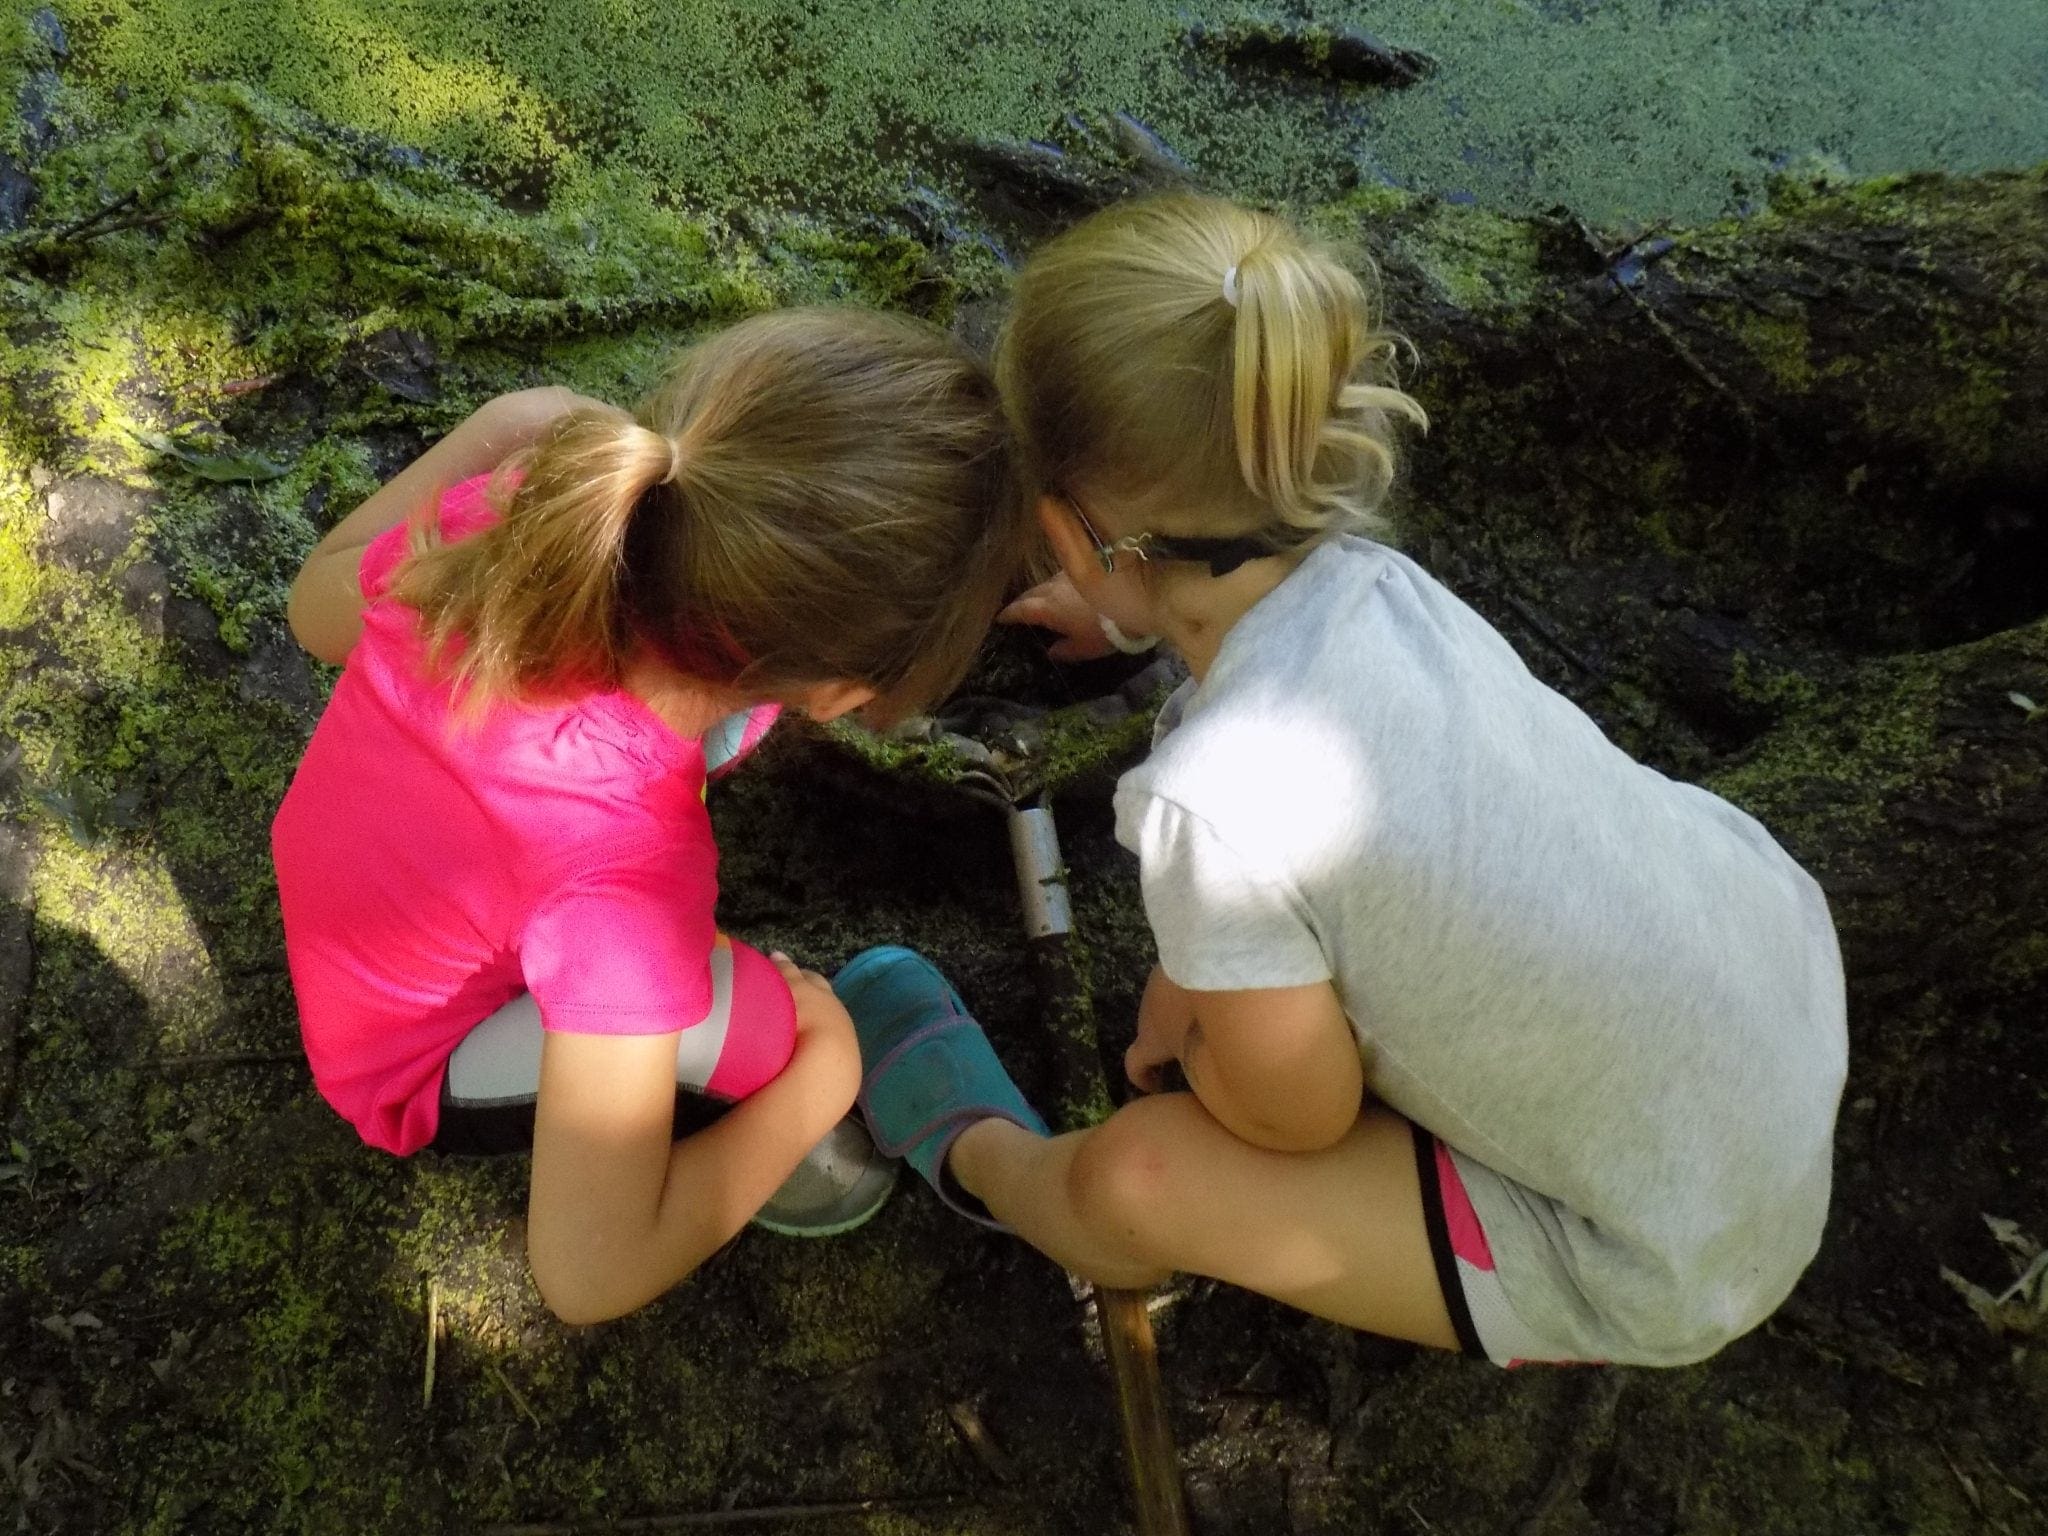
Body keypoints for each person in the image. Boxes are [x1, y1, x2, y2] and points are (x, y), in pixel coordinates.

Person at [831, 195, 1849, 1367]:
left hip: (1659, 1251)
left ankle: (980, 1156)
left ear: (1073, 540)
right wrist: (1123, 609)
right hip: (1768, 1011)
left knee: (1135, 1175)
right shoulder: (1379, 588)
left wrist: (1212, 1030)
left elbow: (1294, 1116)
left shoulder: (1206, 805)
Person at [273, 308, 1030, 1325]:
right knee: (773, 1035)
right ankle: (769, 1153)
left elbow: (316, 609)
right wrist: (825, 1071)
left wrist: (507, 423)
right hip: (406, 1054)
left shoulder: (518, 525)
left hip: (365, 901)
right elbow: (585, 1277)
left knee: (680, 881)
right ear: (846, 694)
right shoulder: (625, 886)